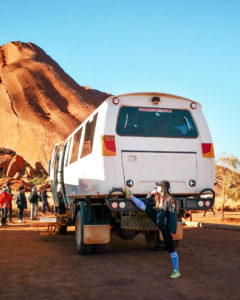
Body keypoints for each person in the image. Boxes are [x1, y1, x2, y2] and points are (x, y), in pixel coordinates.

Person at [126, 180, 181, 279]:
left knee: (170, 248)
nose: (157, 188)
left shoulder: (169, 200)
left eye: (158, 186)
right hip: (158, 220)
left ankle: (176, 270)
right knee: (145, 208)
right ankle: (131, 196)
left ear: (163, 188)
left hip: (165, 227)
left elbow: (173, 216)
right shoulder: (158, 197)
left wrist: (171, 230)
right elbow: (147, 202)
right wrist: (150, 194)